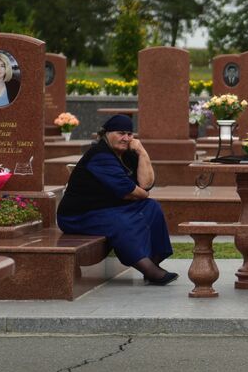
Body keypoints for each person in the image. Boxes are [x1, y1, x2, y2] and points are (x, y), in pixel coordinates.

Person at [57, 114, 177, 285]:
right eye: (121, 133)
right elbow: (129, 192)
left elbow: (146, 183)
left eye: (129, 134)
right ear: (106, 133)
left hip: (110, 207)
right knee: (119, 222)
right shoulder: (100, 155)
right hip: (79, 215)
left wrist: (142, 152)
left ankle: (154, 261)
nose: (126, 138)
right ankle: (149, 270)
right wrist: (143, 193)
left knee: (152, 207)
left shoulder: (127, 153)